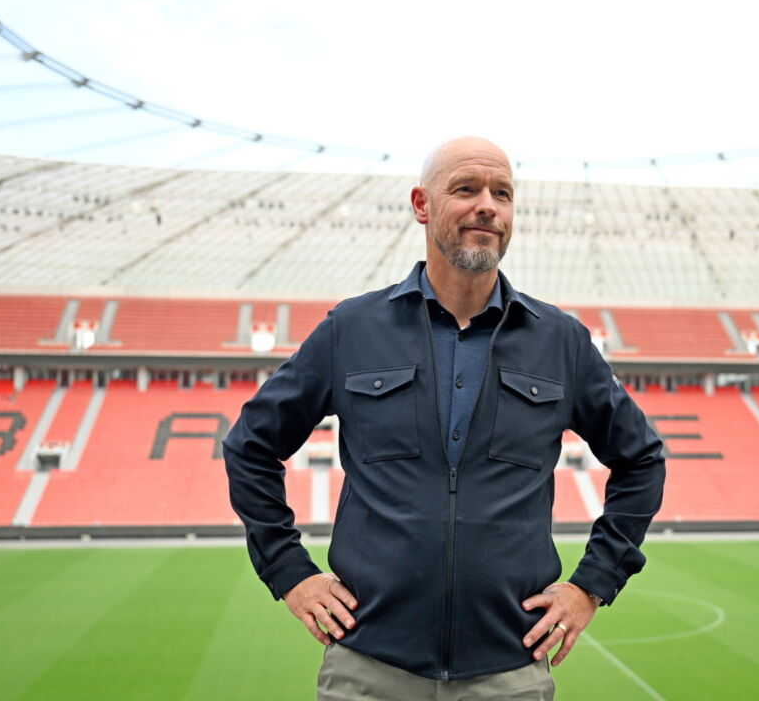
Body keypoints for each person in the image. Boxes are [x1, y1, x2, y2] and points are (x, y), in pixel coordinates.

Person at [223, 136, 666, 700]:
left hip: (509, 672)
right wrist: (289, 571)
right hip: (369, 668)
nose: (488, 205)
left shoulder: (561, 342)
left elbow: (643, 459)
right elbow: (250, 446)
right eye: (467, 189)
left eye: (502, 194)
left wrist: (592, 584)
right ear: (421, 204)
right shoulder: (352, 330)